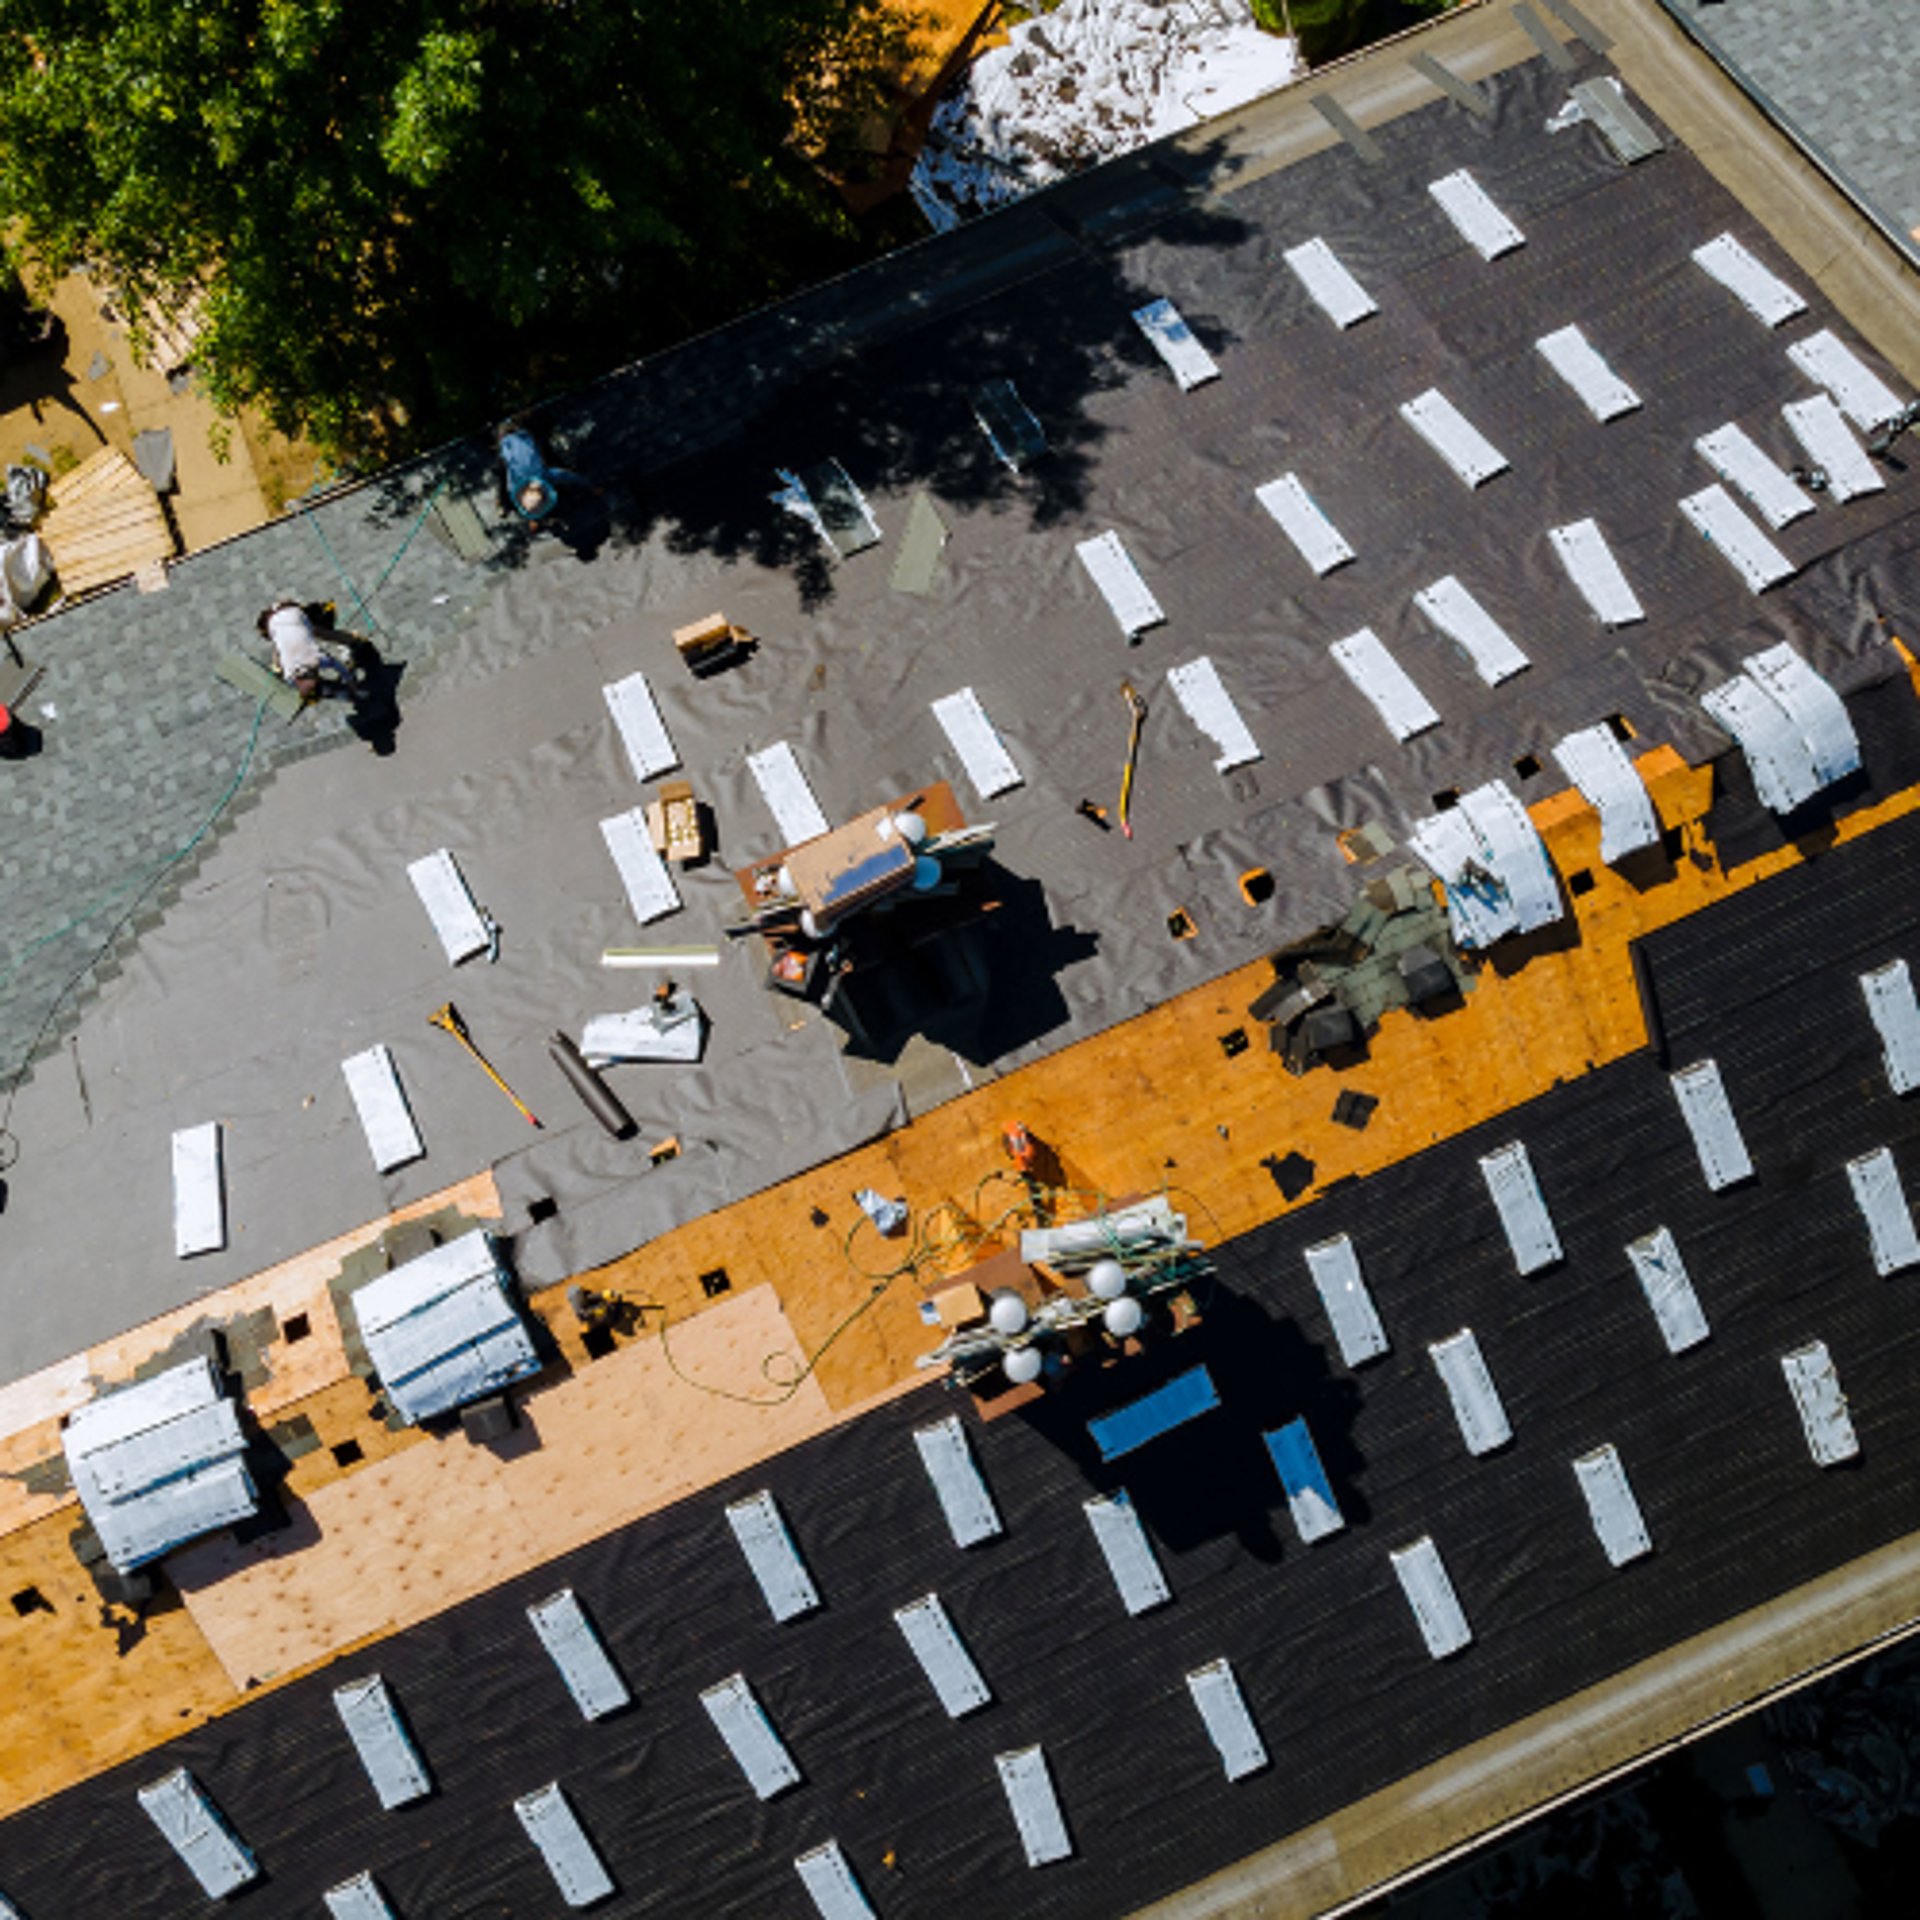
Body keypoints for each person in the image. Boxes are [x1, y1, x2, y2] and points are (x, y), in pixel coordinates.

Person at [257, 598, 360, 703]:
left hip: (292, 615)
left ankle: (353, 640)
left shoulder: (317, 659)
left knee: (320, 633)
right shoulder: (289, 676)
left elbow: (338, 665)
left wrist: (351, 682)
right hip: (281, 615)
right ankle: (352, 640)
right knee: (282, 643)